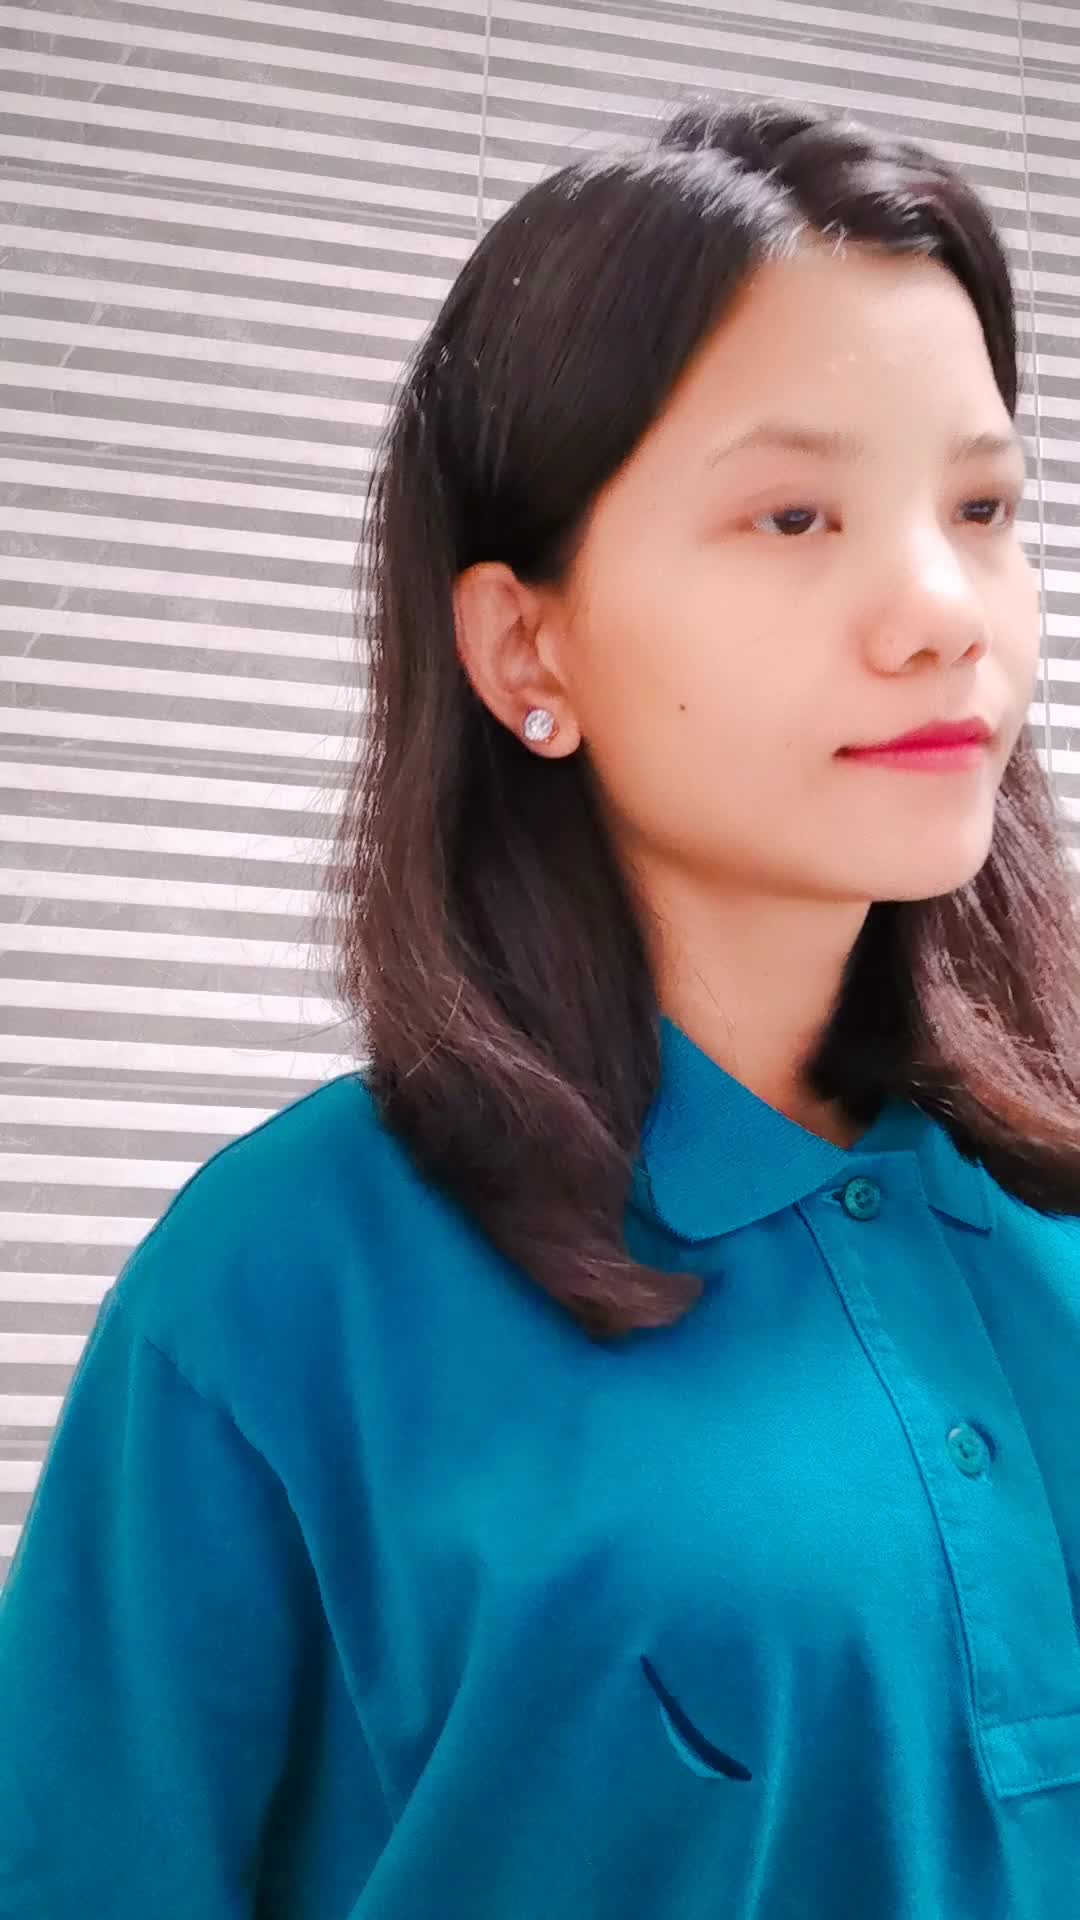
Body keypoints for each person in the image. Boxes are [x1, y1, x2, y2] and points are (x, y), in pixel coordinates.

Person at [2, 92, 1079, 1920]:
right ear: (526, 645)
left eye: (981, 507)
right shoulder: (280, 1288)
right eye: (794, 512)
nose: (941, 612)